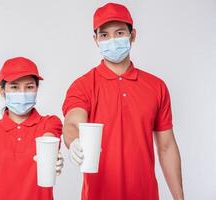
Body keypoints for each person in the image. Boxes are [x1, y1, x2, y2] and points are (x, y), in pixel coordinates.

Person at [62, 3, 184, 200]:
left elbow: (166, 146)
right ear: (96, 40)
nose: (112, 40)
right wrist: (74, 141)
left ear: (132, 35)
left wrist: (179, 198)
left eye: (119, 33)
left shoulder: (156, 86)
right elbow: (72, 122)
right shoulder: (83, 85)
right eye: (104, 35)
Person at [0, 57, 64, 200]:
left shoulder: (50, 122)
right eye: (14, 87)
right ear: (2, 91)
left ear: (37, 89)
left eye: (29, 87)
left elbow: (49, 136)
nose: (23, 92)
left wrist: (50, 154)